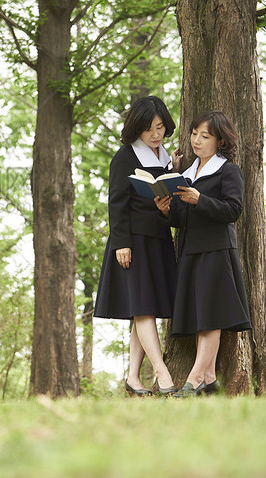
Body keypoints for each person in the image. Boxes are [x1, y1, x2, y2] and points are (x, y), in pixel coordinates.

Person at [155, 110, 252, 398]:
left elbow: (233, 210)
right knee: (200, 316)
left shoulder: (228, 170)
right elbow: (182, 219)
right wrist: (166, 212)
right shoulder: (185, 173)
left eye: (205, 136)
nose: (196, 140)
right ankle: (209, 378)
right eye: (194, 133)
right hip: (189, 252)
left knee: (211, 316)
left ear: (219, 141)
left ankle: (196, 377)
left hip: (216, 250)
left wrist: (201, 199)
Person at [95, 96, 182, 397]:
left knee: (143, 309)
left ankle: (133, 377)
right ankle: (162, 373)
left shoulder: (167, 158)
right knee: (143, 308)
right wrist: (121, 243)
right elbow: (116, 203)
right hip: (132, 243)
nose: (155, 135)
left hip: (158, 240)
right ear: (136, 130)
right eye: (148, 130)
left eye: (159, 127)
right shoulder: (125, 157)